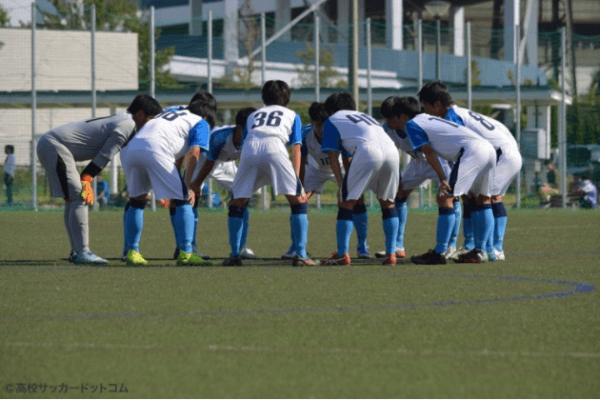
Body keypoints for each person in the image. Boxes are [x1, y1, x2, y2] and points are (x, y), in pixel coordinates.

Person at [36, 94, 162, 264]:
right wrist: (86, 179)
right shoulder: (128, 125)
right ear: (140, 114)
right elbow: (104, 156)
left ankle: (77, 252)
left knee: (73, 199)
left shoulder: (125, 121)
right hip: (54, 146)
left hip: (52, 145)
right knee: (79, 197)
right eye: (151, 118)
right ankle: (82, 252)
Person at [383, 96, 496, 265]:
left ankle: (439, 252)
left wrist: (443, 178)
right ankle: (482, 251)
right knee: (483, 199)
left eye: (397, 117)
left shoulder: (412, 125)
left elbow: (428, 153)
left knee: (445, 198)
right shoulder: (428, 118)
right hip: (487, 149)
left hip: (470, 152)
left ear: (403, 116)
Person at [418, 81, 522, 261]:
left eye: (426, 106)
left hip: (501, 155)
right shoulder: (463, 112)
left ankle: (491, 249)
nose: (426, 112)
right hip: (507, 152)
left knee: (486, 198)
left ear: (436, 104)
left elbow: (464, 144)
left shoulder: (452, 117)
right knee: (476, 196)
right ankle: (478, 247)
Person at [224, 80, 317, 266]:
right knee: (297, 201)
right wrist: (297, 179)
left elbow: (244, 142)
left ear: (264, 97)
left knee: (238, 201)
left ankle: (234, 254)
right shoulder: (292, 115)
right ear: (286, 97)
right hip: (274, 147)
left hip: (250, 149)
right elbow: (296, 148)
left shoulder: (253, 115)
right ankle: (300, 254)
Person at [120, 99, 215, 267]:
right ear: (207, 115)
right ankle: (186, 253)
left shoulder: (174, 111)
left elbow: (179, 152)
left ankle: (131, 252)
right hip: (156, 147)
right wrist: (189, 185)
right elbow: (194, 153)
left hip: (132, 147)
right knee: (183, 199)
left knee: (138, 200)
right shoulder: (201, 122)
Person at [281, 102, 371, 260]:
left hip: (341, 168)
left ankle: (362, 246)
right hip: (315, 170)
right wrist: (300, 187)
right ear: (313, 123)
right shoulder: (305, 134)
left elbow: (347, 158)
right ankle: (295, 246)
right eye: (318, 124)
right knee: (298, 202)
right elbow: (301, 163)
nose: (321, 128)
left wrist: (346, 184)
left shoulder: (339, 132)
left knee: (357, 200)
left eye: (324, 123)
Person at [320, 92, 401, 266]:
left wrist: (341, 184)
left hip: (368, 151)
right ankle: (391, 253)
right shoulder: (364, 116)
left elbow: (333, 156)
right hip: (392, 151)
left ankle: (342, 254)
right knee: (388, 202)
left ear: (331, 109)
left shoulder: (332, 120)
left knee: (346, 203)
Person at [375, 97, 455, 261]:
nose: (386, 122)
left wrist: (442, 178)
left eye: (389, 118)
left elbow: (430, 151)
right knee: (399, 195)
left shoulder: (416, 124)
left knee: (450, 198)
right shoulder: (387, 129)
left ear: (399, 117)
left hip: (437, 161)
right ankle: (398, 245)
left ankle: (450, 246)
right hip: (417, 163)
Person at [188, 107, 259, 260]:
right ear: (239, 128)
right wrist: (195, 185)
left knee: (242, 199)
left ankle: (242, 247)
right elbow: (209, 163)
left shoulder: (254, 136)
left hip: (225, 164)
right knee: (190, 199)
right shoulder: (220, 137)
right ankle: (189, 248)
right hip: (204, 160)